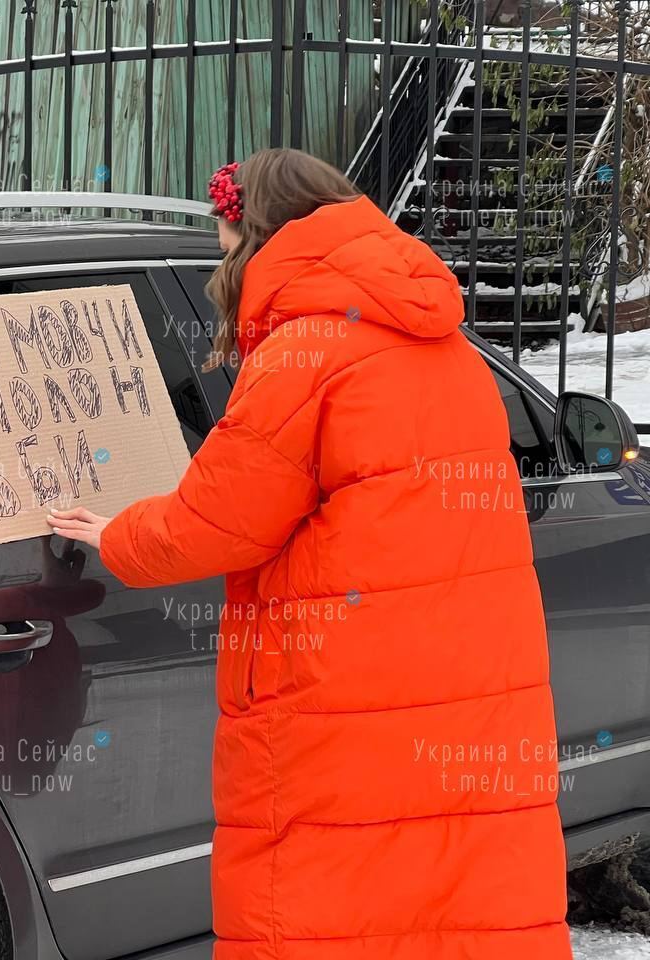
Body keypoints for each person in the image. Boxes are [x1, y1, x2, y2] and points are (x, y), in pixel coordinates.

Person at [48, 148, 571, 959]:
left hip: (340, 698)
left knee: (329, 910)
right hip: (467, 691)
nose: (223, 263)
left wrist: (113, 531)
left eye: (226, 241)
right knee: (456, 905)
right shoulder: (445, 345)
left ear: (259, 235)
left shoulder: (303, 354)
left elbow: (213, 521)